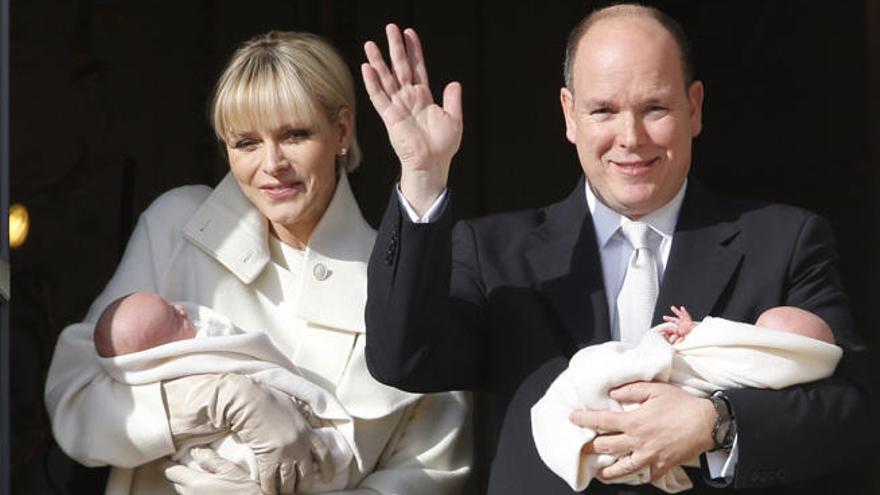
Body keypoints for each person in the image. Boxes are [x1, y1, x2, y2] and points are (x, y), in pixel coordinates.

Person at [360, 4, 871, 494]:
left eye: (655, 108)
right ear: (569, 114)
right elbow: (403, 360)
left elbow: (853, 413)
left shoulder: (783, 241)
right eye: (604, 110)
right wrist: (423, 174)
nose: (631, 137)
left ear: (693, 108)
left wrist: (716, 423)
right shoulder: (495, 253)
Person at [45, 31, 470, 495]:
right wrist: (210, 399)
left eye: (294, 135)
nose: (272, 164)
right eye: (246, 142)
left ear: (342, 131)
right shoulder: (176, 226)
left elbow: (432, 472)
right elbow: (75, 400)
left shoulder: (399, 278)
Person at [532, 305, 842, 493]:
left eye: (761, 332)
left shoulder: (793, 237)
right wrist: (693, 332)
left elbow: (844, 407)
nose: (750, 332)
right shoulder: (490, 245)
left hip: (681, 394)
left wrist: (714, 420)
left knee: (599, 372)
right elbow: (717, 341)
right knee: (592, 376)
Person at [92, 291, 358, 493]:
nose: (183, 310)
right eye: (174, 319)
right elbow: (85, 395)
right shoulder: (166, 230)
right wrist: (219, 395)